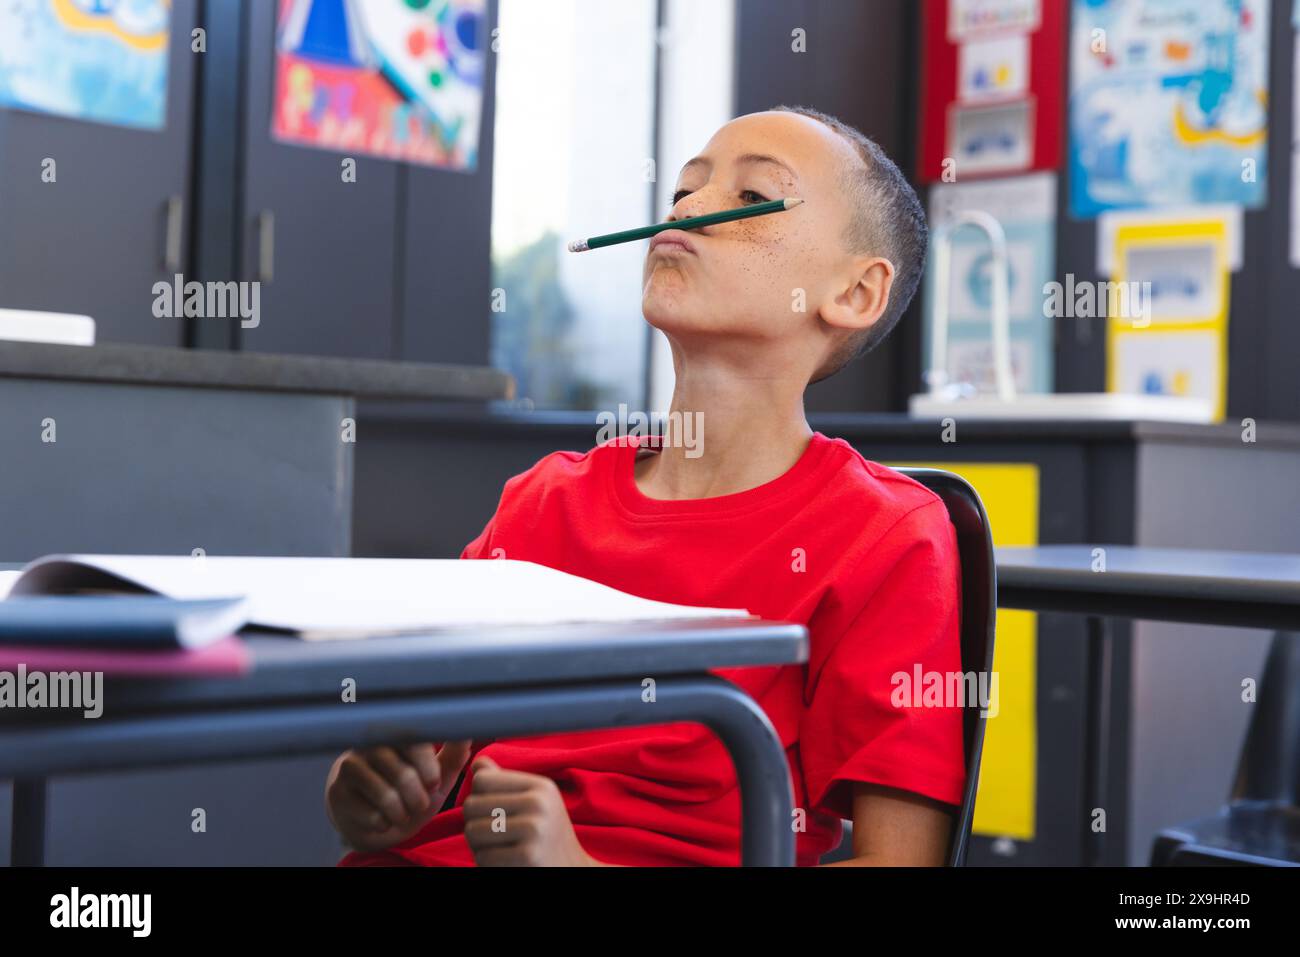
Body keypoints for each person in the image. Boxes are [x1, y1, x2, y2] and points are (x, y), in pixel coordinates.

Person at [326, 106, 964, 866]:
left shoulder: (885, 537)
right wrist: (368, 793)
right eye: (683, 191)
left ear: (856, 294)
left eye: (753, 195)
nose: (689, 207)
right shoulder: (541, 501)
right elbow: (405, 763)